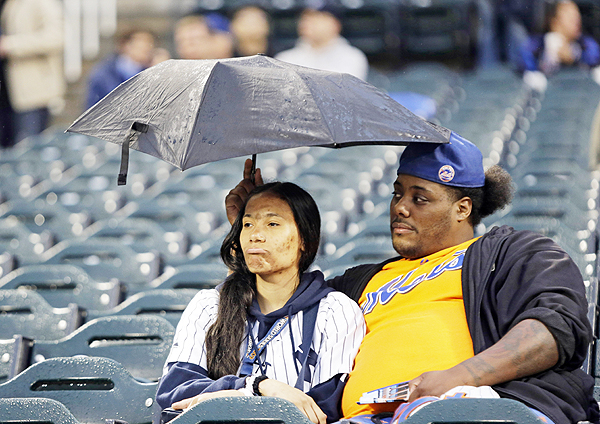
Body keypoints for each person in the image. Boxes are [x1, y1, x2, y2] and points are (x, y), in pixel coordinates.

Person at [225, 133, 598, 424]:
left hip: (472, 412)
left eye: (420, 199)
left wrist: (460, 377)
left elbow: (557, 328)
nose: (400, 207)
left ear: (462, 208)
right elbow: (272, 309)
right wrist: (251, 234)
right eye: (397, 193)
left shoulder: (512, 253)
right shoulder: (360, 281)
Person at [156, 182, 365, 424]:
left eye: (272, 223)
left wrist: (231, 397)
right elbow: (175, 393)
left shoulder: (335, 311)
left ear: (305, 240)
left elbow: (323, 410)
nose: (255, 235)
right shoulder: (210, 305)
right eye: (247, 224)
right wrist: (259, 386)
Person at [0, 0, 65, 147]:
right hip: (8, 94)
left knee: (27, 151)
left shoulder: (42, 3)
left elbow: (56, 37)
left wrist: (9, 45)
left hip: (31, 96)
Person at [520, 0, 600, 90]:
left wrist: (573, 59)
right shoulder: (537, 44)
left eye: (577, 16)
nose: (577, 21)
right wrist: (549, 55)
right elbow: (525, 65)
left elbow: (594, 62)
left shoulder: (586, 44)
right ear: (554, 22)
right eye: (570, 17)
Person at [274, 4, 368, 81]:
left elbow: (343, 93)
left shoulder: (352, 57)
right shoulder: (284, 59)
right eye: (305, 17)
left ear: (335, 24)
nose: (308, 22)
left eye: (317, 17)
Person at [85, 29, 157, 109]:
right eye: (141, 47)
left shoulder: (149, 71)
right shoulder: (105, 74)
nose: (148, 49)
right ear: (126, 46)